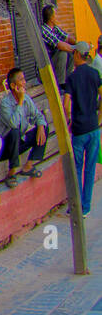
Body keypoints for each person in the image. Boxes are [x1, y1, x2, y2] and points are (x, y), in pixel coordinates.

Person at [62, 41, 100, 217]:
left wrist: (69, 120)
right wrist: (100, 116)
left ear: (78, 54)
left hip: (79, 129)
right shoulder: (94, 73)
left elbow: (67, 103)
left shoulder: (72, 77)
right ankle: (85, 207)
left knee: (76, 168)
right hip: (93, 127)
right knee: (90, 168)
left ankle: (76, 206)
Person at [0, 66, 48, 185]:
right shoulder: (5, 104)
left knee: (43, 127)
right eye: (21, 80)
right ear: (14, 86)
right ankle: (12, 172)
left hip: (19, 143)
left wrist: (40, 126)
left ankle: (28, 166)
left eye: (24, 79)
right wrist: (20, 101)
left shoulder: (26, 99)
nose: (25, 83)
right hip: (6, 148)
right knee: (14, 132)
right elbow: (14, 124)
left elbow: (38, 116)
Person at [42, 5, 76, 87]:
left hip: (54, 60)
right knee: (63, 52)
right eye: (56, 15)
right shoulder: (44, 30)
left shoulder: (55, 28)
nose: (57, 17)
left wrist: (77, 44)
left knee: (71, 53)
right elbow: (60, 45)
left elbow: (67, 38)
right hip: (46, 64)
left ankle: (67, 79)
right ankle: (61, 83)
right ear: (51, 18)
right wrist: (76, 48)